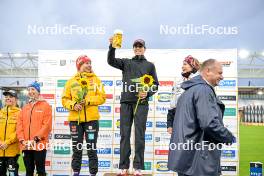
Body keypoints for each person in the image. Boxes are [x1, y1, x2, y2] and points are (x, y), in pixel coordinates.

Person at [168, 59, 236, 176]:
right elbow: (208, 123)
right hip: (198, 161)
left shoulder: (189, 91)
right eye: (220, 73)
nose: (222, 77)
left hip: (186, 158)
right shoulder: (203, 90)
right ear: (208, 71)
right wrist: (228, 137)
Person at [108, 38, 159, 176]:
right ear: (133, 49)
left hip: (141, 104)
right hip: (126, 102)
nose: (138, 48)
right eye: (136, 46)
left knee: (140, 135)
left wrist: (147, 93)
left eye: (140, 46)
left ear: (144, 48)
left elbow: (155, 85)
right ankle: (124, 167)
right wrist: (112, 47)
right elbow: (111, 61)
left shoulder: (150, 65)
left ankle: (137, 168)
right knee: (124, 135)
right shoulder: (126, 62)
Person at [62, 55, 106, 176]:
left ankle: (93, 173)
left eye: (90, 63)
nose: (89, 65)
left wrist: (88, 101)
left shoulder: (96, 80)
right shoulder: (71, 81)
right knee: (77, 148)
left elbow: (102, 97)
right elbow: (64, 99)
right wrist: (73, 105)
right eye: (86, 63)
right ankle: (76, 173)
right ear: (79, 66)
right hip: (75, 120)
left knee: (91, 148)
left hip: (91, 120)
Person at [17, 81, 52, 176]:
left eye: (33, 89)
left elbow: (47, 126)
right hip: (26, 145)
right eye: (28, 90)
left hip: (39, 144)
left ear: (38, 91)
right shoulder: (25, 107)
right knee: (28, 171)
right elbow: (19, 125)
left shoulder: (45, 106)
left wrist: (35, 139)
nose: (30, 91)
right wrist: (21, 139)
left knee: (40, 171)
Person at [167, 55, 200, 134]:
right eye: (182, 64)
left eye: (185, 64)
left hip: (193, 119)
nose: (182, 67)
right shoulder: (178, 81)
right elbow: (172, 104)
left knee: (192, 144)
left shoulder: (199, 81)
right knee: (177, 144)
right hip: (178, 117)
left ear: (193, 66)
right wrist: (170, 124)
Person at [0, 90, 21, 176]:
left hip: (12, 151)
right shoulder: (1, 112)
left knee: (13, 174)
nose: (8, 98)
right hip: (0, 150)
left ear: (16, 99)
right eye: (6, 97)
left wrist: (7, 142)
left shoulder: (20, 113)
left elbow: (19, 131)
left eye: (10, 96)